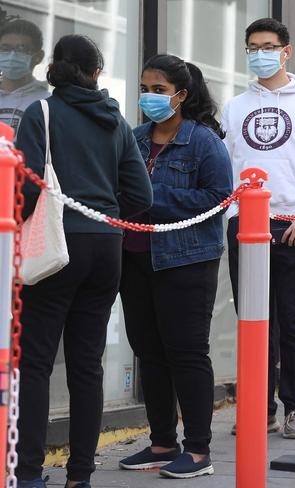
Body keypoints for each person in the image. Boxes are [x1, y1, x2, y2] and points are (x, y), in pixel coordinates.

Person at [15, 35, 152, 488]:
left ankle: (30, 473)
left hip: (56, 246)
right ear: (96, 73)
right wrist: (107, 218)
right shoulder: (115, 121)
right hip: (105, 248)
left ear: (55, 68)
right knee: (86, 365)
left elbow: (31, 185)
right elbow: (141, 196)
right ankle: (80, 476)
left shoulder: (43, 113)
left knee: (34, 362)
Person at [117, 55, 233, 479]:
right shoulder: (134, 138)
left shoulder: (204, 141)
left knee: (186, 353)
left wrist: (151, 202)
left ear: (181, 95)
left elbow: (218, 197)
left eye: (159, 90)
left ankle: (199, 451)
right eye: (145, 88)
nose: (150, 97)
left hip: (185, 261)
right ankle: (162, 443)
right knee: (149, 352)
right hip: (134, 259)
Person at [222, 17, 295, 439]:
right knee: (254, 322)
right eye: (252, 47)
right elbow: (226, 165)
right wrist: (232, 218)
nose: (259, 54)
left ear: (286, 51)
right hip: (247, 228)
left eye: (267, 46)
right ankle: (259, 406)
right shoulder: (236, 106)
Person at [0, 19, 50, 131]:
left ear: (38, 57)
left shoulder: (47, 103)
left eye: (21, 49)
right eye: (5, 48)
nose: (12, 55)